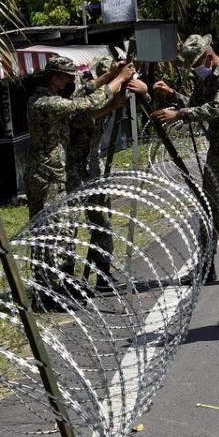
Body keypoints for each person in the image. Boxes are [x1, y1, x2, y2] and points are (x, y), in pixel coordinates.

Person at [151, 33, 219, 285]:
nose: (194, 69)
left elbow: (216, 108)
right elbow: (194, 104)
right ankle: (207, 264)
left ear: (208, 55)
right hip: (218, 147)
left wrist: (179, 113)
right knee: (209, 208)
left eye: (195, 64)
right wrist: (172, 95)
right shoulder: (204, 79)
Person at [25, 55, 134, 306]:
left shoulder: (48, 97)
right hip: (46, 175)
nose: (69, 84)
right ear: (55, 79)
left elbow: (84, 92)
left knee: (59, 229)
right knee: (51, 232)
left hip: (52, 173)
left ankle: (59, 283)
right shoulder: (46, 102)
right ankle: (48, 292)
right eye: (66, 79)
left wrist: (110, 76)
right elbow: (85, 103)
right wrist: (119, 80)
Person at [64, 55, 138, 292]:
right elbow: (81, 116)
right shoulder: (80, 94)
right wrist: (111, 100)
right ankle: (67, 277)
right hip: (72, 168)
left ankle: (103, 274)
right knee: (70, 224)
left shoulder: (110, 94)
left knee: (102, 221)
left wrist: (130, 83)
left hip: (93, 166)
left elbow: (139, 88)